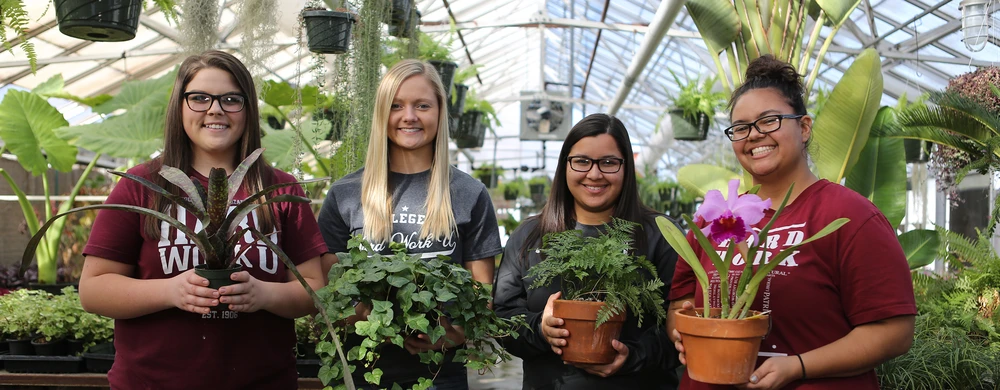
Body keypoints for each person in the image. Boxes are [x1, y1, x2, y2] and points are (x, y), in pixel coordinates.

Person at [80, 50, 327, 389]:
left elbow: (315, 287)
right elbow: (93, 290)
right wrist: (171, 291)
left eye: (231, 99)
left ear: (248, 109)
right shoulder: (143, 185)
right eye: (199, 98)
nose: (215, 109)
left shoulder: (279, 189)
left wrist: (263, 295)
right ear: (179, 106)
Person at [667, 55, 916, 390]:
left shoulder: (849, 217)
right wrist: (682, 332)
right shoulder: (712, 219)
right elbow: (679, 302)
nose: (753, 135)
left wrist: (797, 367)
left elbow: (895, 332)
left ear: (804, 126)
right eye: (740, 128)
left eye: (769, 121)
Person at [317, 59, 501, 389]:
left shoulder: (468, 193)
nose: (409, 116)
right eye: (396, 106)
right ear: (382, 115)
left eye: (422, 105)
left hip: (439, 374)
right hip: (364, 368)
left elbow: (480, 293)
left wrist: (453, 334)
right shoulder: (346, 194)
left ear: (440, 112)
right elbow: (330, 291)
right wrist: (373, 321)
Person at [493, 113, 681, 390]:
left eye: (608, 162)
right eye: (581, 161)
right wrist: (541, 329)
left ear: (626, 168)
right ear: (565, 166)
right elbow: (502, 317)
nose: (594, 174)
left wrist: (634, 357)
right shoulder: (528, 236)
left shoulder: (661, 234)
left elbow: (681, 328)